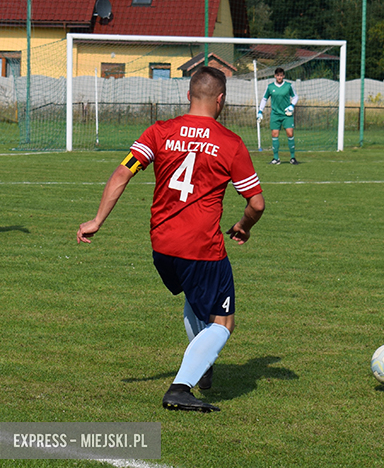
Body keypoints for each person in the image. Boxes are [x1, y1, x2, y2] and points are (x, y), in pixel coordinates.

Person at [77, 66, 265, 412]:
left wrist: (97, 220)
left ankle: (202, 367)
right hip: (201, 247)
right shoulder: (230, 143)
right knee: (224, 322)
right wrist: (244, 226)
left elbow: (122, 172)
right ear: (221, 100)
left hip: (162, 246)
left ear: (187, 95)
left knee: (194, 301)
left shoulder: (159, 131)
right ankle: (180, 388)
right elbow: (256, 203)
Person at [257, 67, 299, 165]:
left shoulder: (288, 86)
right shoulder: (270, 87)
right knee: (275, 135)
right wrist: (260, 111)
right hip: (275, 114)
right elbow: (264, 99)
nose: (279, 77)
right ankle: (276, 158)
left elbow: (295, 96)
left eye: (281, 75)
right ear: (275, 76)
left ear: (283, 76)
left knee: (290, 133)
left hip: (286, 115)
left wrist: (292, 106)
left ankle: (292, 158)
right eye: (277, 75)